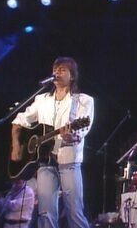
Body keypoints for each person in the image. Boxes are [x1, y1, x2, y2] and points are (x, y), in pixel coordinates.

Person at [10, 57, 94, 228]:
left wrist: (72, 136)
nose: (57, 72)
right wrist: (16, 147)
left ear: (72, 76)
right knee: (45, 213)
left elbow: (83, 129)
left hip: (69, 162)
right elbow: (18, 121)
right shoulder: (41, 100)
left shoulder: (84, 100)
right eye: (55, 69)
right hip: (45, 162)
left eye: (63, 69)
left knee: (74, 212)